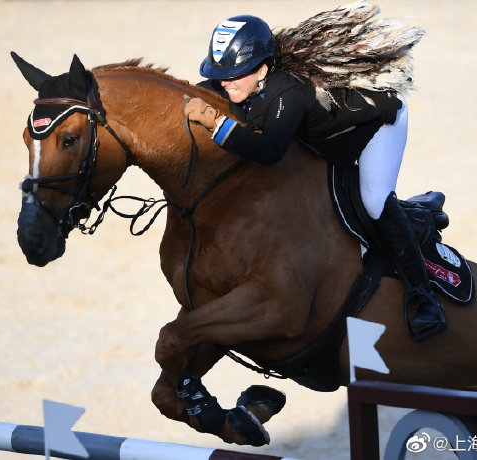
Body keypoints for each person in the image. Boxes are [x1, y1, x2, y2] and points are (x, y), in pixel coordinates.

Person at [184, 15, 446, 340]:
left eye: (233, 75)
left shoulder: (287, 92)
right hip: (328, 137)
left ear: (263, 69)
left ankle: (424, 296)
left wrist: (219, 126)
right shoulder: (243, 81)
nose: (224, 83)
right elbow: (201, 92)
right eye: (219, 75)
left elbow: (269, 151)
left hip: (377, 125)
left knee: (374, 200)